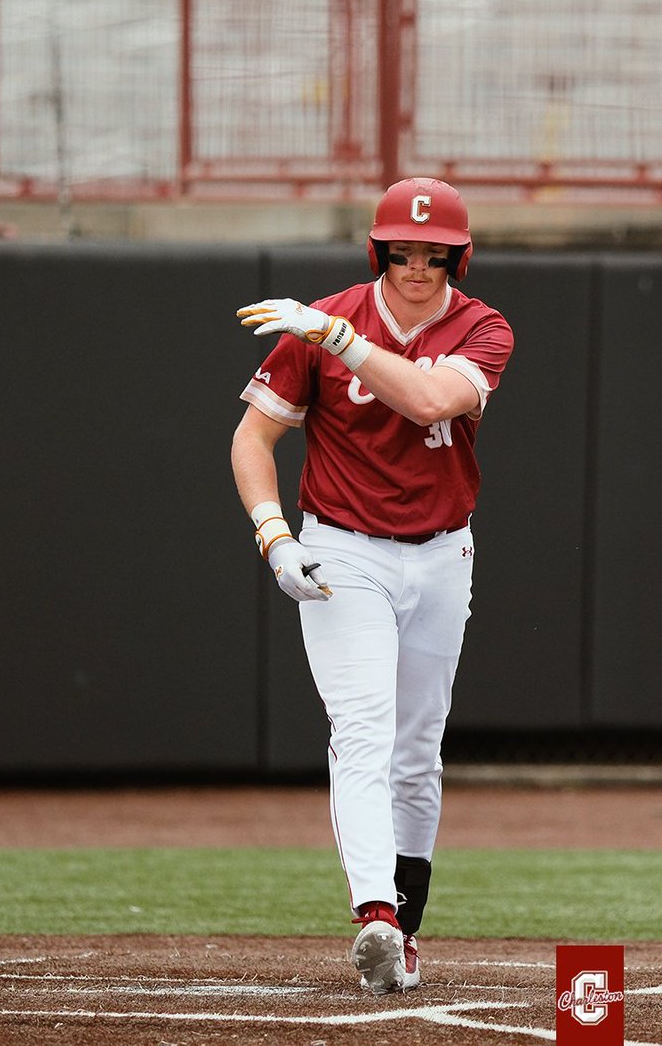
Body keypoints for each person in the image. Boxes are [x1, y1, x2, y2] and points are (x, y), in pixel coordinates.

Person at [231, 177, 514, 995]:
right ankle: (375, 917)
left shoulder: (482, 326)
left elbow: (430, 396)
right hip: (342, 548)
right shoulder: (324, 317)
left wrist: (336, 339)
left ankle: (406, 931)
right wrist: (273, 534)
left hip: (440, 552)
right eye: (402, 252)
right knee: (363, 729)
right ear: (379, 251)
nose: (417, 267)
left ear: (457, 257)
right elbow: (254, 437)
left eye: (434, 254)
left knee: (418, 751)